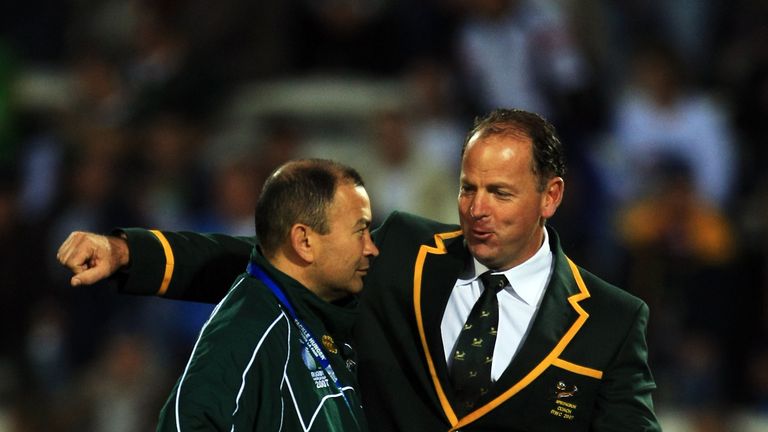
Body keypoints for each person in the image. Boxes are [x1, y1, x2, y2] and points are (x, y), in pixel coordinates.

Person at [58, 108, 660, 431]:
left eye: (500, 193)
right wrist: (129, 253)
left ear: (551, 197)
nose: (476, 210)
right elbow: (267, 259)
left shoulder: (611, 321)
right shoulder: (401, 251)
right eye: (467, 188)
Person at [133, 159, 376, 430]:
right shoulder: (248, 327)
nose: (371, 248)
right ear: (304, 242)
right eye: (360, 232)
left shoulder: (320, 310)